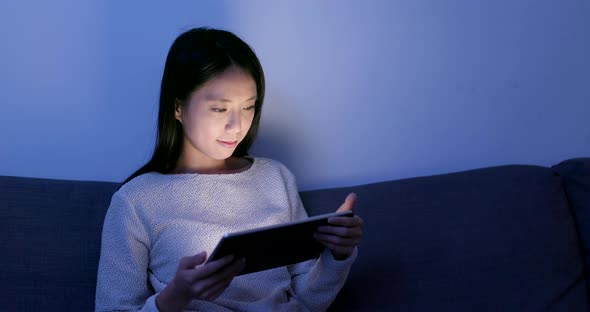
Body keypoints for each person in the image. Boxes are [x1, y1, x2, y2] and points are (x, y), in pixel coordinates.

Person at [95, 27, 364, 312]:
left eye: (248, 107)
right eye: (220, 109)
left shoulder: (276, 177)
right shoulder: (136, 200)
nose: (237, 126)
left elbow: (309, 301)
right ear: (178, 107)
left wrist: (337, 254)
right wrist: (175, 296)